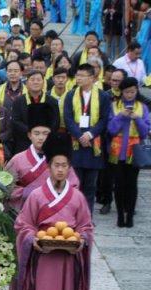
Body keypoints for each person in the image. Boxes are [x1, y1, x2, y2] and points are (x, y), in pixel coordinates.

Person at [14, 134, 93, 290]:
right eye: (56, 165)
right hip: (45, 259)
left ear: (70, 169)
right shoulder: (37, 196)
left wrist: (81, 240)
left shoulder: (77, 197)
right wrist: (33, 239)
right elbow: (23, 224)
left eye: (64, 166)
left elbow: (86, 227)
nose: (60, 170)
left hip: (68, 262)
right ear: (48, 167)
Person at [4, 103, 80, 290]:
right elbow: (6, 189)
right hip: (27, 222)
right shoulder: (18, 160)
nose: (41, 138)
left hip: (56, 225)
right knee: (26, 266)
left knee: (51, 270)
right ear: (29, 134)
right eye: (36, 133)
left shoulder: (59, 162)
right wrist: (25, 193)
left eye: (45, 133)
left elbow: (72, 187)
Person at [63, 63, 111, 215]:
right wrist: (79, 135)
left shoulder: (103, 96)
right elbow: (68, 118)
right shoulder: (71, 95)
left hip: (93, 143)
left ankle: (87, 216)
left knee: (90, 185)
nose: (79, 78)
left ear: (92, 78)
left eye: (82, 76)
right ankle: (72, 214)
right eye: (77, 75)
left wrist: (90, 134)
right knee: (75, 182)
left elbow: (104, 119)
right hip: (76, 143)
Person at [106, 77, 150, 227]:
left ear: (136, 91)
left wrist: (137, 118)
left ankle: (130, 215)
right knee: (118, 184)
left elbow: (145, 132)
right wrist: (121, 116)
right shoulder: (114, 106)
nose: (129, 94)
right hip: (117, 151)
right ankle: (119, 215)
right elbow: (110, 129)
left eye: (132, 91)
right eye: (126, 92)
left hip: (134, 151)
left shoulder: (142, 107)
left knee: (132, 184)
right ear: (122, 92)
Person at [10, 70, 60, 157]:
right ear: (27, 83)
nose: (35, 82)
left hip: (46, 141)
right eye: (32, 79)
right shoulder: (18, 101)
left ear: (43, 82)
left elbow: (56, 122)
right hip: (24, 142)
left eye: (38, 79)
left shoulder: (52, 101)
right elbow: (15, 121)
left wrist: (43, 134)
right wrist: (32, 133)